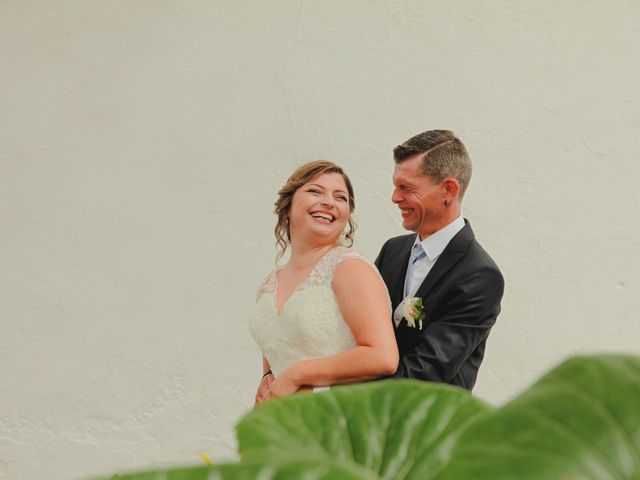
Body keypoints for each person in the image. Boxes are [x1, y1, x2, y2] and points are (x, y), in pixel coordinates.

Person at [250, 160, 398, 405]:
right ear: (288, 207)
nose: (329, 202)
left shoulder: (349, 269)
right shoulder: (270, 283)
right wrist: (268, 376)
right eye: (315, 191)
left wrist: (296, 376)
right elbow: (279, 342)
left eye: (340, 197)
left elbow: (382, 356)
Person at [375, 130, 504, 390]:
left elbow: (427, 371)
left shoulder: (480, 276)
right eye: (395, 186)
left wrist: (335, 391)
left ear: (448, 189)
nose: (394, 197)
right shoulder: (392, 251)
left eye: (406, 188)